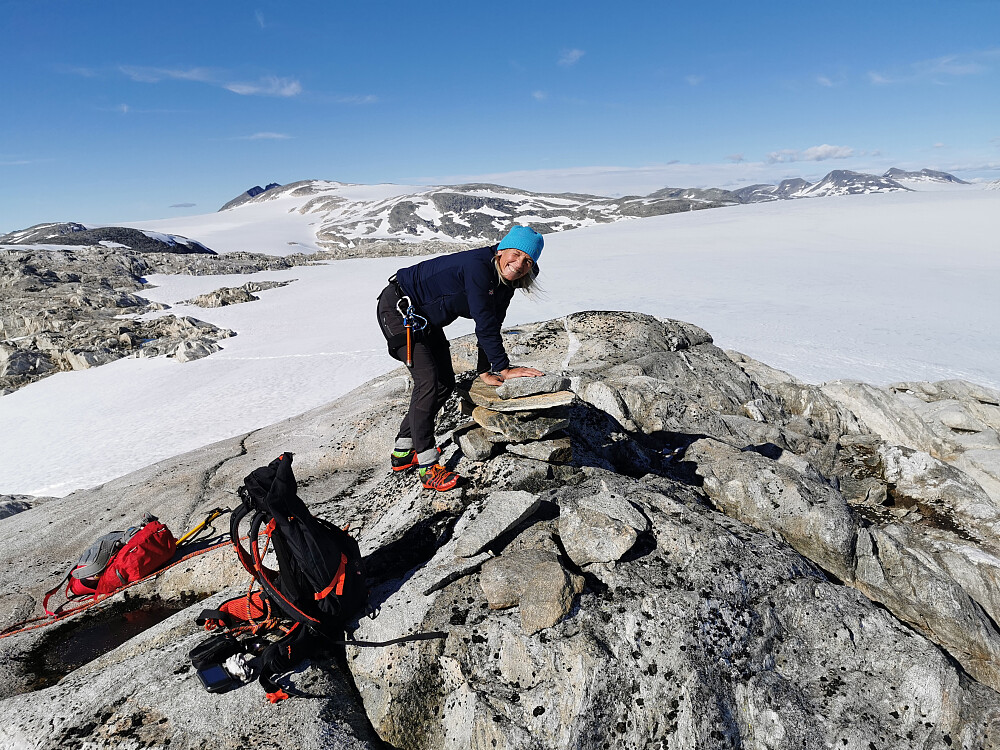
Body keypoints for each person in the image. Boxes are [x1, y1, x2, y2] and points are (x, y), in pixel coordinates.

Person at [376, 225, 545, 491]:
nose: (519, 264)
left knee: (444, 383)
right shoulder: (478, 267)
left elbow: (492, 322)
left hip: (425, 320)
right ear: (501, 250)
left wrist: (486, 371)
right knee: (428, 383)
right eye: (515, 254)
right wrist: (503, 368)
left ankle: (402, 452)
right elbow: (484, 324)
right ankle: (428, 467)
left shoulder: (506, 281)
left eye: (528, 261)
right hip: (400, 312)